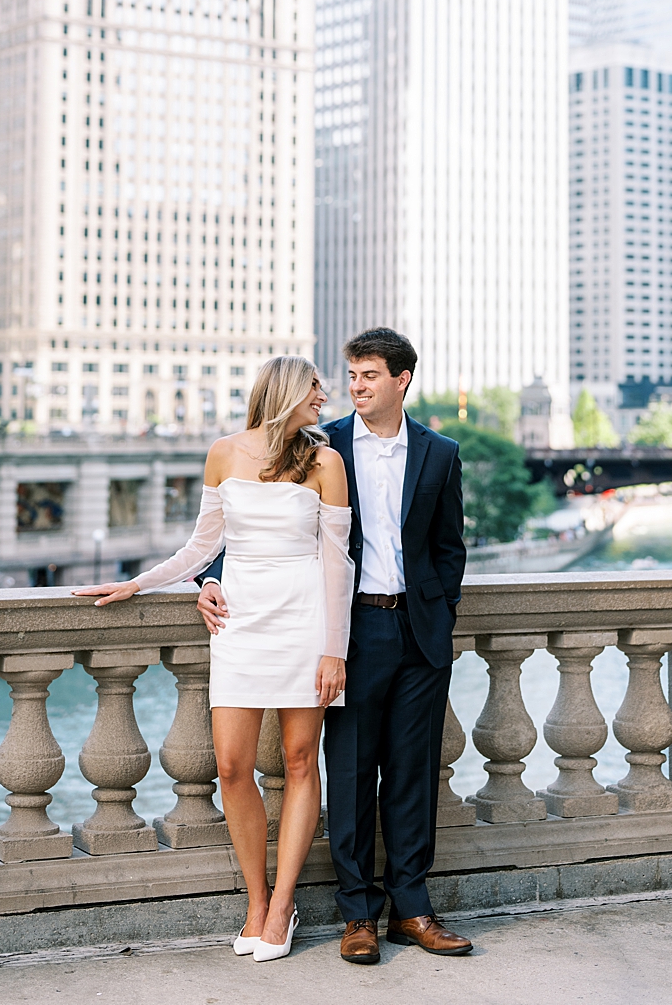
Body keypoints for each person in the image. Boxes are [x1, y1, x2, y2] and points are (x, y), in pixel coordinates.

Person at [197, 327, 470, 965]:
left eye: (369, 375)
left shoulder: (441, 452)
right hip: (347, 628)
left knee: (414, 772)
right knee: (348, 772)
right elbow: (253, 524)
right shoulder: (324, 445)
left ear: (402, 380)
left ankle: (413, 910)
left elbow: (449, 545)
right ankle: (357, 916)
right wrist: (209, 577)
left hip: (419, 630)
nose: (355, 387)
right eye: (350, 376)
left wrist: (442, 612)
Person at [75, 356, 353, 964]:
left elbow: (338, 561)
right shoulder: (223, 453)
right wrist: (138, 583)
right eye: (314, 387)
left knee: (300, 761)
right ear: (284, 391)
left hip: (305, 620)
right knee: (231, 766)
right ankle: (256, 900)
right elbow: (202, 546)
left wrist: (335, 649)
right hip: (240, 622)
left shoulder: (325, 461)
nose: (324, 396)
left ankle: (281, 907)